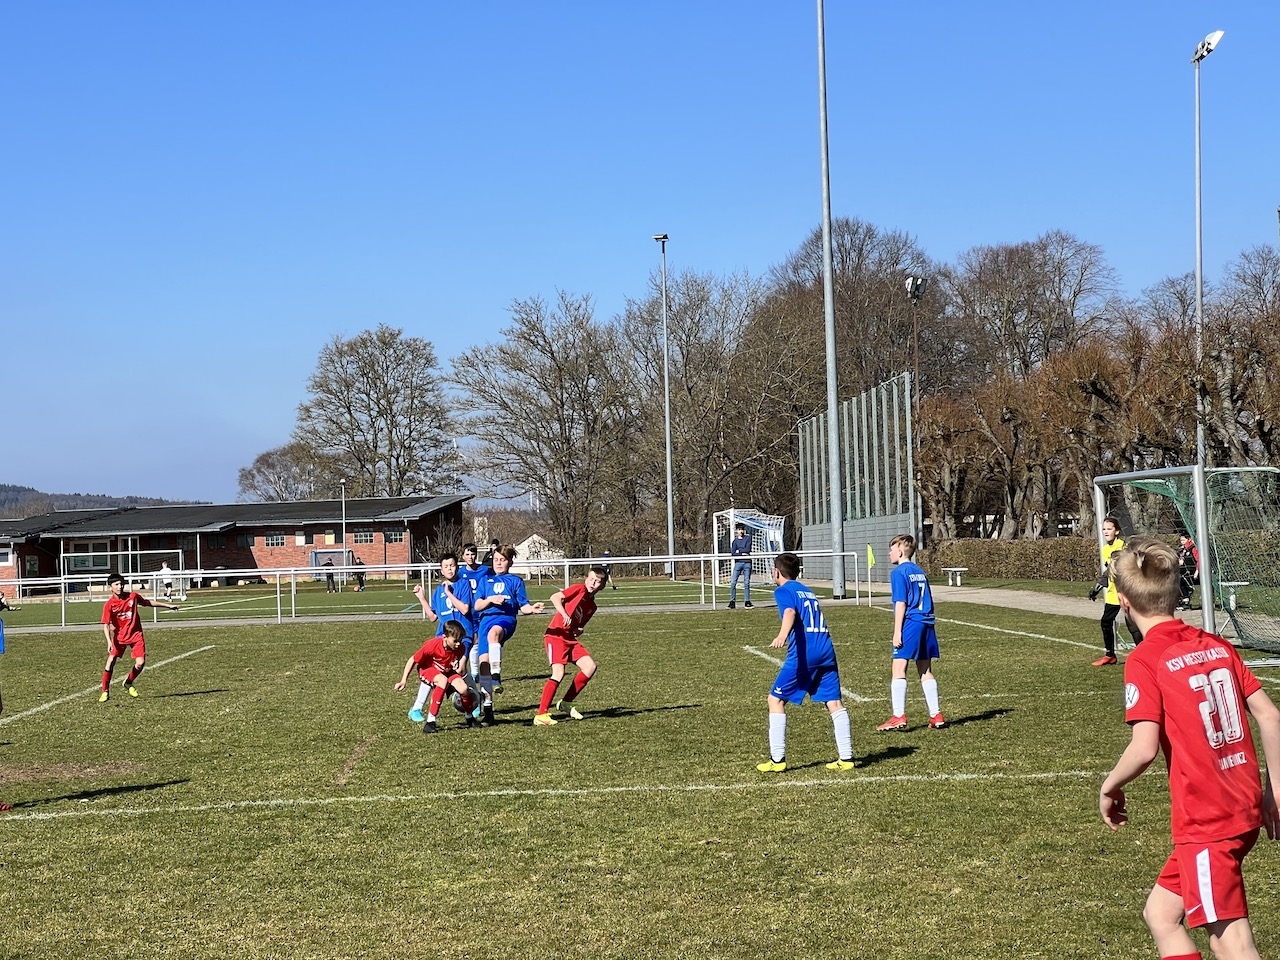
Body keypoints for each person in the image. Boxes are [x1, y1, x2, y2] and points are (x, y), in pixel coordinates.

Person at [1099, 536, 1279, 960]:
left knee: (1231, 941)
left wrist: (1109, 786)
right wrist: (1274, 790)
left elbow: (1144, 748)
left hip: (1207, 819)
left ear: (1124, 602)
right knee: (1162, 914)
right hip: (1242, 806)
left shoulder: (1145, 659)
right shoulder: (1215, 644)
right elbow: (1270, 716)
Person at [756, 551, 854, 772]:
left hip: (806, 653)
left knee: (775, 700)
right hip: (826, 649)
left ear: (776, 572)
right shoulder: (807, 590)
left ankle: (777, 760)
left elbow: (790, 612)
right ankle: (846, 758)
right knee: (834, 702)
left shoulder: (783, 590)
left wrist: (782, 635)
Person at [876, 534, 945, 731]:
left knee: (898, 668)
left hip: (912, 623)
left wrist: (897, 631)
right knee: (925, 669)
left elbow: (901, 603)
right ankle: (936, 715)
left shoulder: (899, 572)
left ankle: (898, 715)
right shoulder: (919, 571)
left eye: (891, 549)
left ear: (900, 551)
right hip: (927, 622)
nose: (889, 553)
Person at [474, 546, 545, 721]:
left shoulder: (515, 581)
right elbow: (477, 605)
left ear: (510, 562)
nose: (498, 563)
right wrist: (490, 600)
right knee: (483, 665)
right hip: (485, 622)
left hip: (505, 619)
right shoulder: (485, 580)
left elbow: (524, 606)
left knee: (494, 634)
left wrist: (532, 609)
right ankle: (488, 709)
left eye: (503, 560)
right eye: (496, 559)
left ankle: (496, 675)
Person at [534, 566, 608, 726]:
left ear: (602, 586)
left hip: (569, 638)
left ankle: (566, 702)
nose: (592, 583)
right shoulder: (579, 588)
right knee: (559, 672)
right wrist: (564, 614)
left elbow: (579, 627)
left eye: (597, 582)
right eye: (591, 579)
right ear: (586, 579)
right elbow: (555, 597)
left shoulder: (592, 607)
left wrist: (579, 630)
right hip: (556, 636)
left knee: (590, 667)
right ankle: (541, 714)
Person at [99, 572, 179, 701]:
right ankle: (105, 691)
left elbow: (147, 602)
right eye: (116, 584)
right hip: (120, 637)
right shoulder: (109, 605)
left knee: (140, 663)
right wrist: (109, 642)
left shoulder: (133, 596)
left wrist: (168, 605)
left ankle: (128, 682)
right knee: (111, 661)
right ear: (110, 587)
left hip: (136, 635)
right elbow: (106, 625)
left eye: (121, 584)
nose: (120, 587)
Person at [394, 620, 478, 734]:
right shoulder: (432, 645)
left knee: (464, 689)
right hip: (427, 670)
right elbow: (412, 660)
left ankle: (469, 717)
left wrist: (455, 664)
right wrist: (403, 680)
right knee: (442, 681)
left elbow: (452, 660)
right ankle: (430, 721)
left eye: (460, 640)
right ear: (444, 637)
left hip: (446, 671)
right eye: (455, 641)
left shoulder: (460, 648)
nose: (458, 644)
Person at [1088, 517, 1142, 666]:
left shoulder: (1123, 547)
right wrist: (1097, 588)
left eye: (1109, 529)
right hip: (1113, 593)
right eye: (1104, 529)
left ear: (1117, 531)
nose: (1106, 532)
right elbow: (1109, 571)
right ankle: (1110, 655)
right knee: (1106, 622)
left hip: (1126, 592)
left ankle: (1143, 654)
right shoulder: (1106, 549)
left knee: (1132, 625)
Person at [459, 543, 491, 679]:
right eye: (467, 554)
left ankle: (475, 672)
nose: (470, 557)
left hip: (481, 611)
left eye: (472, 554)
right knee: (468, 640)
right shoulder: (460, 572)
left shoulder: (485, 570)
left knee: (478, 640)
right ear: (463, 556)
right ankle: (472, 671)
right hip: (466, 612)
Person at [727, 523, 754, 609]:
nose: (741, 531)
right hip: (738, 563)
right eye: (739, 530)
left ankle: (747, 601)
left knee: (746, 582)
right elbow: (733, 553)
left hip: (747, 563)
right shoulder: (735, 541)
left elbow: (748, 549)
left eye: (742, 529)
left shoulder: (748, 538)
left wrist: (739, 551)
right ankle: (732, 601)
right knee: (733, 582)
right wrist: (741, 553)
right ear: (736, 531)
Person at [1177, 533, 1200, 610]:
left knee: (1182, 577)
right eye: (1181, 540)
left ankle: (1188, 594)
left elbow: (1198, 560)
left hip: (1192, 570)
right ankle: (1184, 599)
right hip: (1184, 569)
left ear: (1189, 539)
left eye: (1184, 540)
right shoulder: (1182, 549)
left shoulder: (1193, 548)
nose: (1182, 542)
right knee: (1176, 577)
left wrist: (1197, 571)